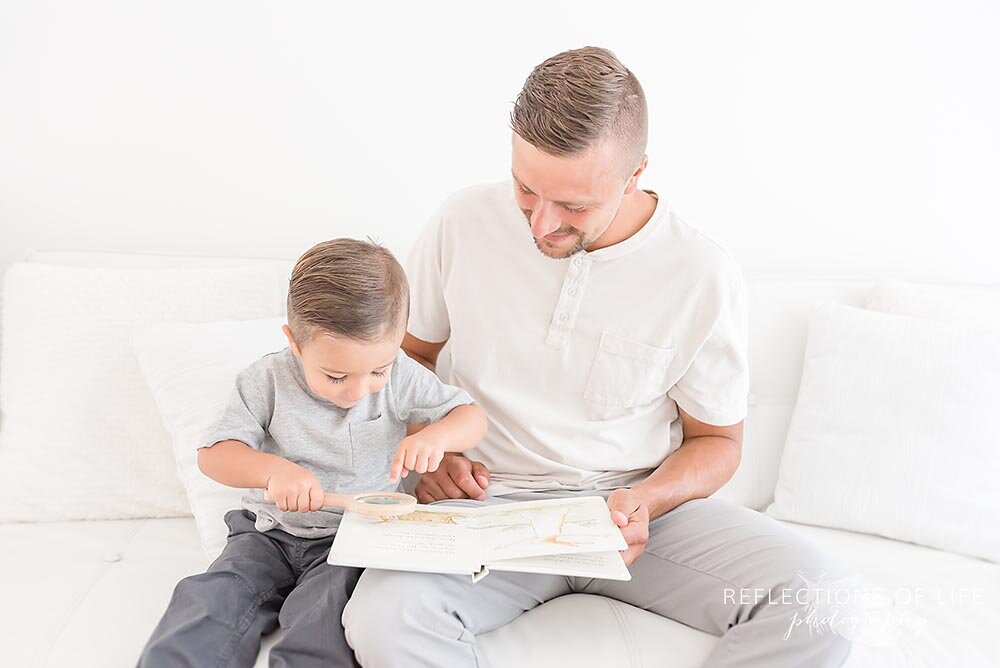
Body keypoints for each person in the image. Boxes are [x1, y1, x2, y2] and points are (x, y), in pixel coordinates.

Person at [342, 47, 853, 667]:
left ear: (636, 172)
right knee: (381, 621)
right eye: (526, 189)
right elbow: (407, 359)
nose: (541, 225)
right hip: (482, 506)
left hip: (631, 513)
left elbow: (717, 440)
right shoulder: (462, 220)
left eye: (574, 206)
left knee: (819, 598)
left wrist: (648, 501)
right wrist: (433, 440)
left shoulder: (701, 272)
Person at [137, 238, 488, 668]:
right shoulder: (265, 380)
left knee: (324, 617)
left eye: (377, 370)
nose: (359, 391)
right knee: (212, 596)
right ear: (296, 344)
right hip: (265, 533)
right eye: (337, 375)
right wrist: (272, 472)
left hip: (352, 541)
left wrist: (435, 438)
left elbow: (471, 417)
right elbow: (214, 455)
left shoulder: (402, 378)